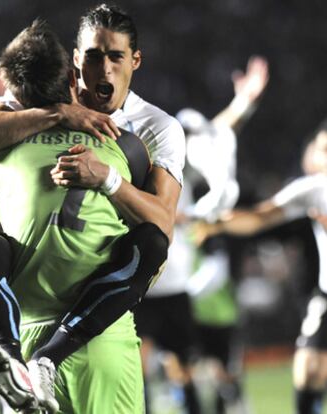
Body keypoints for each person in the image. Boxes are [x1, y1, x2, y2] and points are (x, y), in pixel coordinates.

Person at [0, 8, 185, 413]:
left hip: (102, 317)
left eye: (116, 57)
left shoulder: (153, 128)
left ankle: (19, 355)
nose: (104, 68)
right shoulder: (26, 110)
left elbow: (162, 225)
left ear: (135, 60)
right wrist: (59, 112)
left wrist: (107, 180)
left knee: (151, 243)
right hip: (37, 316)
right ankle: (17, 362)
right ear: (75, 61)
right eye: (94, 56)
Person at [134, 55, 269, 414]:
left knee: (185, 371)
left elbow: (214, 133)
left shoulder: (183, 173)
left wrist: (244, 102)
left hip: (176, 287)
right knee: (139, 368)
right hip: (142, 287)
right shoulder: (133, 168)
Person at [195, 119, 327, 414]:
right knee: (307, 370)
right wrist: (214, 223)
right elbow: (258, 218)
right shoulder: (314, 190)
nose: (323, 156)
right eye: (322, 149)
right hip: (325, 296)